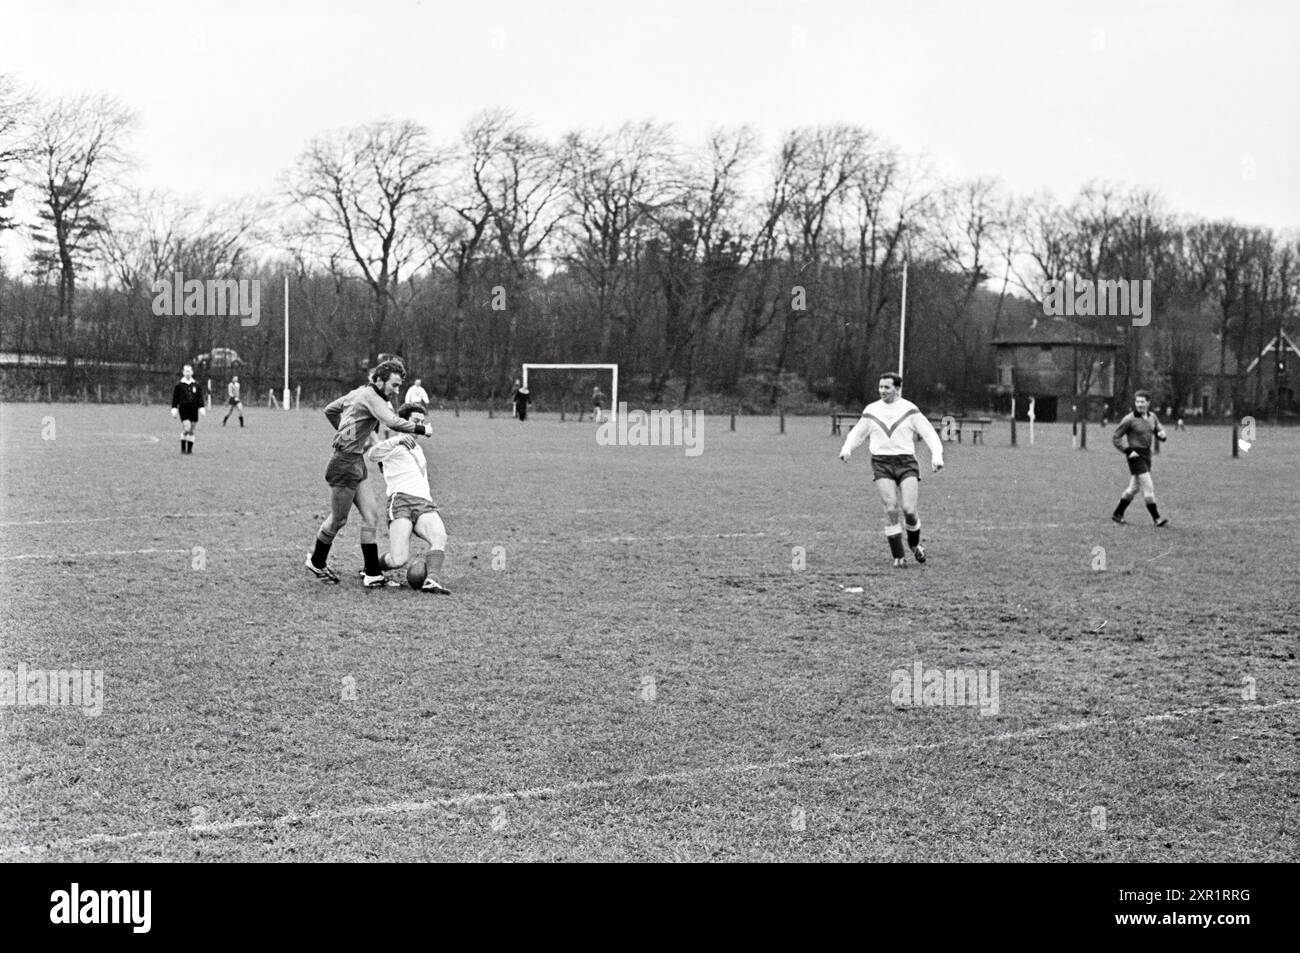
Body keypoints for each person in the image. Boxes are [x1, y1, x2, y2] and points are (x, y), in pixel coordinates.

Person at [303, 358, 433, 586]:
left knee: (370, 516)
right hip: (343, 463)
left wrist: (349, 433)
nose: (397, 390)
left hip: (356, 462)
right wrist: (422, 428)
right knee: (338, 519)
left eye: (400, 386)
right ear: (380, 380)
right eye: (394, 385)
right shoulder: (371, 397)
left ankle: (372, 573)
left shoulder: (358, 393)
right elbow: (392, 421)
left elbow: (331, 410)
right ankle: (316, 561)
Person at [838, 372, 944, 568]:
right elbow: (858, 433)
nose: (882, 391)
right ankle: (898, 555)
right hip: (881, 463)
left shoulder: (910, 409)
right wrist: (847, 449)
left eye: (887, 387)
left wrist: (937, 456)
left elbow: (929, 433)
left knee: (909, 511)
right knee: (891, 508)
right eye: (880, 387)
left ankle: (914, 545)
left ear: (897, 388)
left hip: (906, 463)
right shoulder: (871, 410)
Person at [367, 404, 451, 594]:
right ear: (404, 422)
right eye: (415, 421)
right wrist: (396, 441)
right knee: (398, 560)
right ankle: (370, 569)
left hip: (424, 503)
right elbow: (372, 455)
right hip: (401, 503)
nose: (419, 426)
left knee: (439, 536)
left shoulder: (417, 447)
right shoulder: (396, 444)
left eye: (422, 422)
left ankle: (432, 579)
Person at [1111, 390, 1169, 527]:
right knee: (1148, 486)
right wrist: (1128, 450)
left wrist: (1162, 434)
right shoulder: (1129, 419)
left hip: (1146, 455)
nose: (1139, 404)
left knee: (1134, 487)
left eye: (1142, 402)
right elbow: (1116, 437)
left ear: (1148, 403)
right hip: (1135, 455)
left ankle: (1117, 514)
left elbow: (1158, 430)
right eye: (1137, 401)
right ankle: (1157, 518)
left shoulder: (1152, 417)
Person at [170, 364, 205, 454]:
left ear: (192, 372)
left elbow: (199, 397)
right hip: (183, 409)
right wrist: (174, 409)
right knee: (187, 427)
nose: (188, 373)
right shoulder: (179, 385)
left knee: (192, 430)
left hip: (194, 409)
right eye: (186, 371)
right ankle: (182, 447)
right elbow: (175, 398)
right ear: (183, 372)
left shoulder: (196, 385)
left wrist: (201, 408)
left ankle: (189, 451)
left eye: (189, 371)